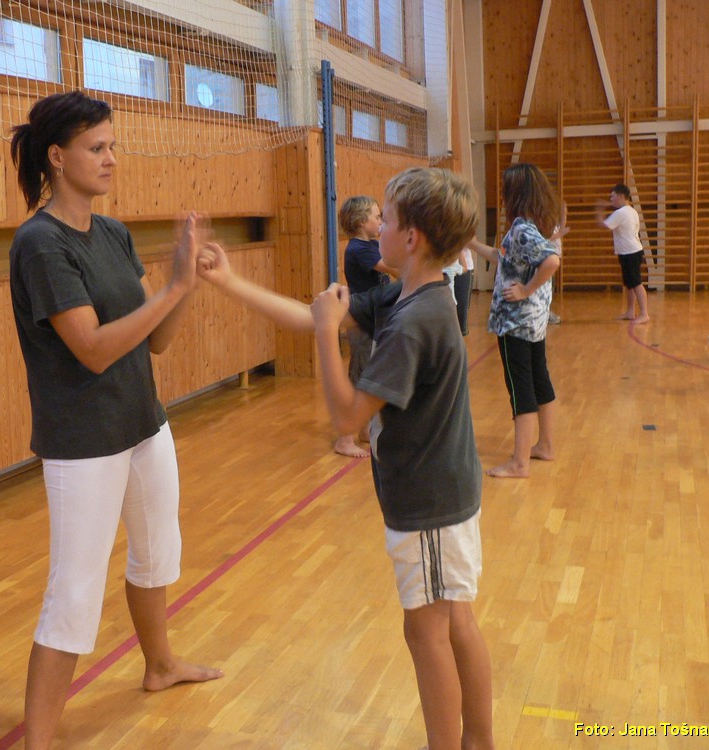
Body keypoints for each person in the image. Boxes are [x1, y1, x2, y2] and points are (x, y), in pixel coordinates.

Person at [198, 168, 495, 750]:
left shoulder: (415, 322)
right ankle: (478, 742)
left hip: (429, 503)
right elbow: (312, 314)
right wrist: (229, 282)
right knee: (453, 621)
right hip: (444, 493)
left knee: (427, 632)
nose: (377, 227)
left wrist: (326, 333)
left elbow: (347, 416)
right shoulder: (409, 295)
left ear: (411, 237)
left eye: (387, 218)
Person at [9, 91, 222, 750]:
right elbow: (95, 349)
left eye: (112, 146)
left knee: (157, 552)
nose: (110, 158)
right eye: (96, 147)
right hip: (84, 443)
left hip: (143, 423)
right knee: (74, 592)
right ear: (57, 156)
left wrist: (185, 284)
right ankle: (39, 740)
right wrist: (173, 287)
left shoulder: (113, 233)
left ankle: (160, 665)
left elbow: (155, 341)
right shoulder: (40, 244)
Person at [468, 163, 561, 479]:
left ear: (515, 193)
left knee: (520, 389)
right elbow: (503, 258)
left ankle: (519, 463)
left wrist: (525, 289)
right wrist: (470, 243)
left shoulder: (522, 229)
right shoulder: (531, 226)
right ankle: (545, 445)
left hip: (515, 323)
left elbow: (551, 261)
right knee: (539, 380)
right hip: (533, 321)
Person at [335, 195, 394, 458]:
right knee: (359, 377)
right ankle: (344, 438)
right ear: (361, 222)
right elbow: (391, 267)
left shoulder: (370, 245)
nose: (380, 221)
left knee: (369, 374)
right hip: (361, 320)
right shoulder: (359, 249)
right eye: (377, 216)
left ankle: (363, 429)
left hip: (372, 318)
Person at [595, 183, 650, 323]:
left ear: (620, 196)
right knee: (630, 284)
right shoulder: (632, 211)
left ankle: (644, 313)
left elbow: (604, 225)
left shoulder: (621, 212)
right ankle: (630, 312)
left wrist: (599, 210)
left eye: (612, 197)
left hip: (631, 252)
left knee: (636, 283)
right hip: (630, 252)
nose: (611, 199)